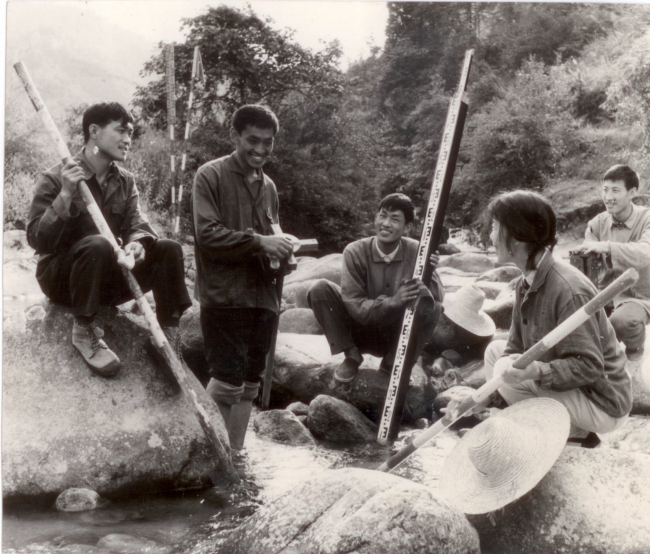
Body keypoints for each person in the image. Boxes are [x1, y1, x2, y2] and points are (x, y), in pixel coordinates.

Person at [447, 190, 631, 444]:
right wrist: (485, 396)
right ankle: (548, 424)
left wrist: (537, 371)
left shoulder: (568, 289)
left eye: (495, 228)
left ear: (519, 237)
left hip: (602, 401)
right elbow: (515, 347)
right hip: (572, 389)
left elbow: (589, 366)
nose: (490, 237)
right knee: (495, 352)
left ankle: (573, 434)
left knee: (504, 367)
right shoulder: (526, 281)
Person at [27, 102, 192, 378]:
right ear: (94, 131)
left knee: (168, 249)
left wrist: (137, 243)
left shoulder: (125, 181)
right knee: (99, 243)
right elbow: (37, 240)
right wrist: (66, 194)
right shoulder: (56, 177)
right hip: (62, 281)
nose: (128, 140)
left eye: (131, 133)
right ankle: (83, 329)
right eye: (121, 131)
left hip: (104, 282)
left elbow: (138, 224)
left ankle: (166, 336)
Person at [192, 104, 293, 450]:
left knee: (250, 383)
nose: (261, 150)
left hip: (263, 298)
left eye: (268, 142)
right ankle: (212, 458)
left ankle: (235, 456)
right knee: (226, 382)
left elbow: (271, 235)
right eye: (253, 140)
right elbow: (207, 235)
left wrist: (283, 249)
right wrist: (261, 242)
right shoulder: (210, 175)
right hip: (224, 297)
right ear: (235, 136)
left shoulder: (270, 187)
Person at [308, 193, 444, 383]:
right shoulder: (354, 251)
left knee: (436, 308)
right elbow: (355, 306)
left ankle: (393, 362)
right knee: (319, 289)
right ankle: (352, 356)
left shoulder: (417, 251)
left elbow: (435, 302)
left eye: (395, 219)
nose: (386, 223)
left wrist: (430, 271)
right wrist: (393, 301)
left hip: (395, 336)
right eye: (382, 215)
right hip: (359, 330)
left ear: (408, 227)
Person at [576, 164, 650, 361]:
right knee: (577, 322)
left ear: (632, 192)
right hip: (605, 294)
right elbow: (586, 265)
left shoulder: (648, 218)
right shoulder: (596, 224)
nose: (608, 197)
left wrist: (608, 247)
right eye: (605, 190)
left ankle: (635, 347)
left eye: (615, 190)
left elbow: (645, 254)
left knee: (622, 322)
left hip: (641, 296)